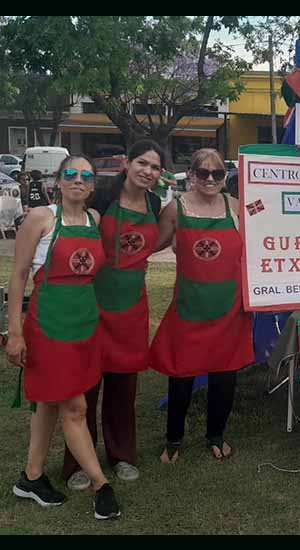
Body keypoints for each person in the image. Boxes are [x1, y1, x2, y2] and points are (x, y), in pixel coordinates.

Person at [6, 156, 122, 520]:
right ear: (59, 182)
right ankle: (101, 483)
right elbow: (19, 275)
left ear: (91, 187)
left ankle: (31, 477)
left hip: (85, 324)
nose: (78, 180)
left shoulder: (95, 220)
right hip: (49, 325)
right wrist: (14, 331)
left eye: (86, 176)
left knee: (49, 403)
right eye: (70, 174)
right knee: (75, 408)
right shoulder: (41, 218)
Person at [61, 141, 165, 492]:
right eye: (142, 163)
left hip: (132, 306)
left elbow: (157, 241)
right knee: (85, 384)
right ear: (126, 162)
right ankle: (77, 459)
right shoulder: (101, 194)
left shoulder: (153, 203)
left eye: (154, 167)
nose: (147, 171)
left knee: (124, 387)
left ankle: (122, 455)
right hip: (93, 301)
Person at [151, 148, 253, 463]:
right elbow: (151, 245)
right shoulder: (174, 209)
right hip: (189, 306)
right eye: (203, 173)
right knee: (181, 375)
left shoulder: (237, 208)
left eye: (218, 173)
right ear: (191, 175)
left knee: (225, 376)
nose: (210, 179)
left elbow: (268, 234)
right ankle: (174, 440)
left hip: (229, 308)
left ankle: (216, 435)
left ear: (225, 177)